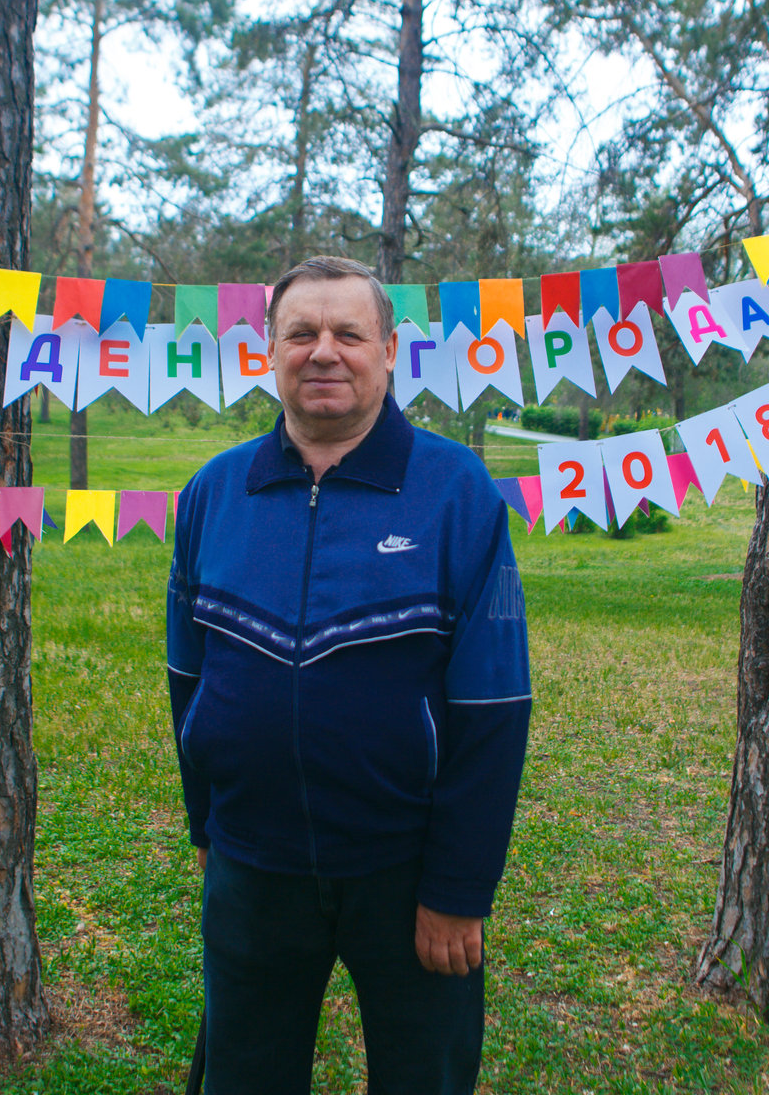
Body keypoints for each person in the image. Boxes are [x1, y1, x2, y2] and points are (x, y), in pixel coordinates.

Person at [167, 256, 531, 1095]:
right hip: (252, 865)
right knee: (245, 1077)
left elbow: (494, 706)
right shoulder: (214, 493)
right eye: (301, 333)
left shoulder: (456, 492)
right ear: (269, 350)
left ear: (389, 351)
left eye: (348, 334)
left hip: (404, 871)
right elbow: (187, 674)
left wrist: (458, 887)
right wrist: (207, 826)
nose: (323, 351)